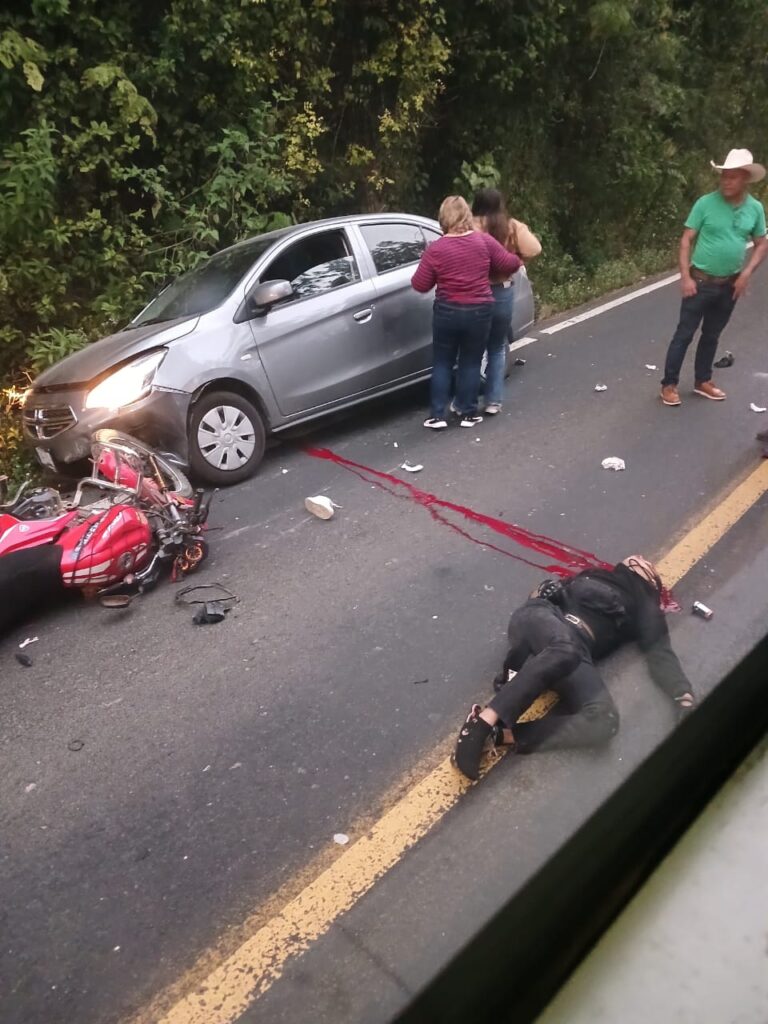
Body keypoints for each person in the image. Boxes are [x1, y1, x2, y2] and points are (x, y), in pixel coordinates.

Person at [452, 555, 695, 781]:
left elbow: (661, 653)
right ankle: (480, 724)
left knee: (604, 721)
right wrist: (541, 592)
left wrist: (682, 695)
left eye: (644, 561)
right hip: (541, 620)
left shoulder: (644, 606)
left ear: (650, 579)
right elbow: (541, 594)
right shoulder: (594, 573)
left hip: (572, 648)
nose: (639, 557)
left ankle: (500, 736)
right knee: (564, 648)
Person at [660, 148, 768, 407]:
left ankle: (702, 381)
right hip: (700, 281)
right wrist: (685, 276)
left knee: (712, 334)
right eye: (724, 176)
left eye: (732, 177)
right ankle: (669, 384)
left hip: (729, 284)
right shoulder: (705, 203)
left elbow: (761, 243)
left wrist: (746, 274)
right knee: (684, 334)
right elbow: (686, 239)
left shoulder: (754, 208)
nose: (726, 182)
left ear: (744, 179)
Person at [411, 196, 521, 429]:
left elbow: (420, 284)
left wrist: (430, 265)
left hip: (447, 311)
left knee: (442, 362)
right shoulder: (483, 241)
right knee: (471, 362)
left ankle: (437, 416)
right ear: (467, 216)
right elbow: (510, 263)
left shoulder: (436, 249)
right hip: (480, 310)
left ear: (443, 218)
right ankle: (469, 414)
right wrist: (515, 255)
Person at [472, 188, 541, 415]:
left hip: (474, 292)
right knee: (497, 346)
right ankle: (493, 401)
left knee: (471, 347)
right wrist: (518, 259)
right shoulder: (509, 226)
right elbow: (535, 248)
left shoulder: (469, 225)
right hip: (502, 290)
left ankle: (467, 399)